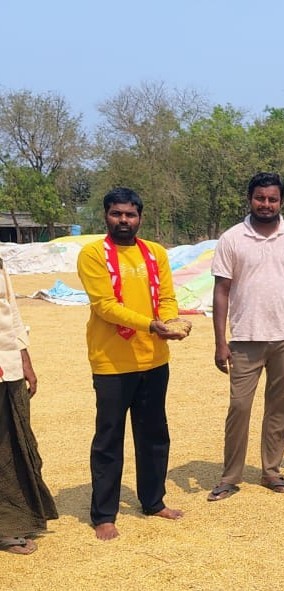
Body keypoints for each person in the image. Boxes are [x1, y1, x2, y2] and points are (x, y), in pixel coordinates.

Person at [77, 188, 186, 541]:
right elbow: (104, 305)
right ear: (106, 216)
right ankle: (104, 514)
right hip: (112, 362)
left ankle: (153, 501)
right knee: (109, 438)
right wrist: (151, 325)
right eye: (116, 214)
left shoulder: (155, 252)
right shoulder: (93, 254)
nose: (123, 220)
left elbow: (166, 296)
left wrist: (170, 321)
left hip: (153, 359)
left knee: (154, 434)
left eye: (130, 214)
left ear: (140, 217)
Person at [207, 172, 284, 501]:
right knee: (239, 407)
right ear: (250, 199)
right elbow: (221, 291)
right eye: (260, 198)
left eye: (272, 199)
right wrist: (220, 342)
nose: (266, 204)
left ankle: (271, 470)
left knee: (280, 407)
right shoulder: (232, 238)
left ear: (281, 202)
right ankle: (230, 476)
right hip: (245, 338)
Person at [0, 257, 57, 554]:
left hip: (6, 369)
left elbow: (10, 310)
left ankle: (8, 524)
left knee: (10, 447)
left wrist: (24, 360)